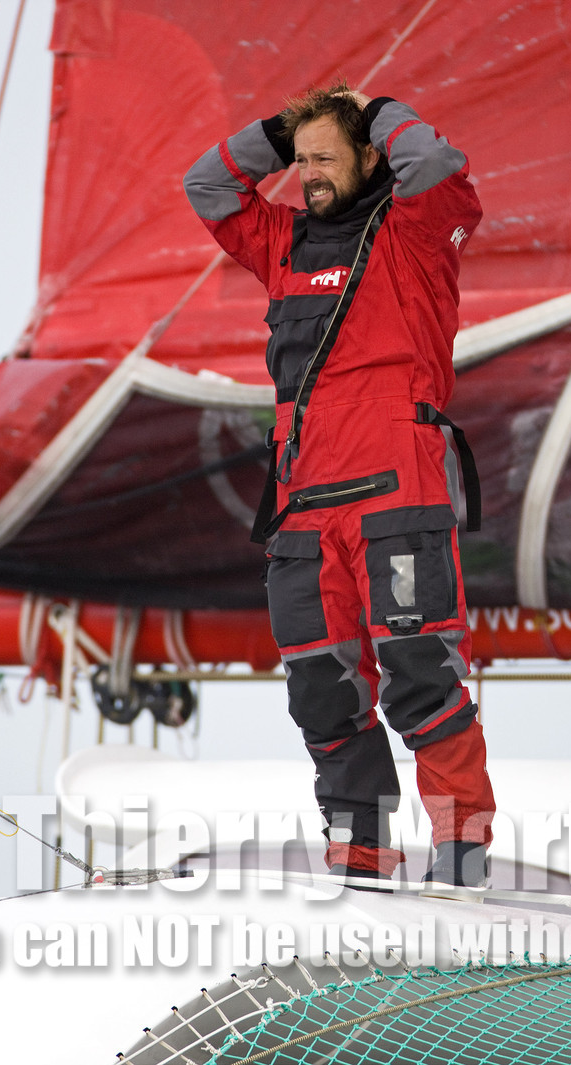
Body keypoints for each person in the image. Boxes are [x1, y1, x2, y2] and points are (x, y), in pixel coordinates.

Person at [184, 84, 495, 888]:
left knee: (419, 674)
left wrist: (379, 106)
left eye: (329, 157)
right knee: (321, 692)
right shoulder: (283, 242)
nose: (311, 174)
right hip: (303, 508)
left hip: (398, 494)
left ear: (368, 157)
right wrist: (281, 136)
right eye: (303, 161)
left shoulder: (417, 229)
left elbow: (429, 160)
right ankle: (362, 864)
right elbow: (208, 187)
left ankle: (462, 858)